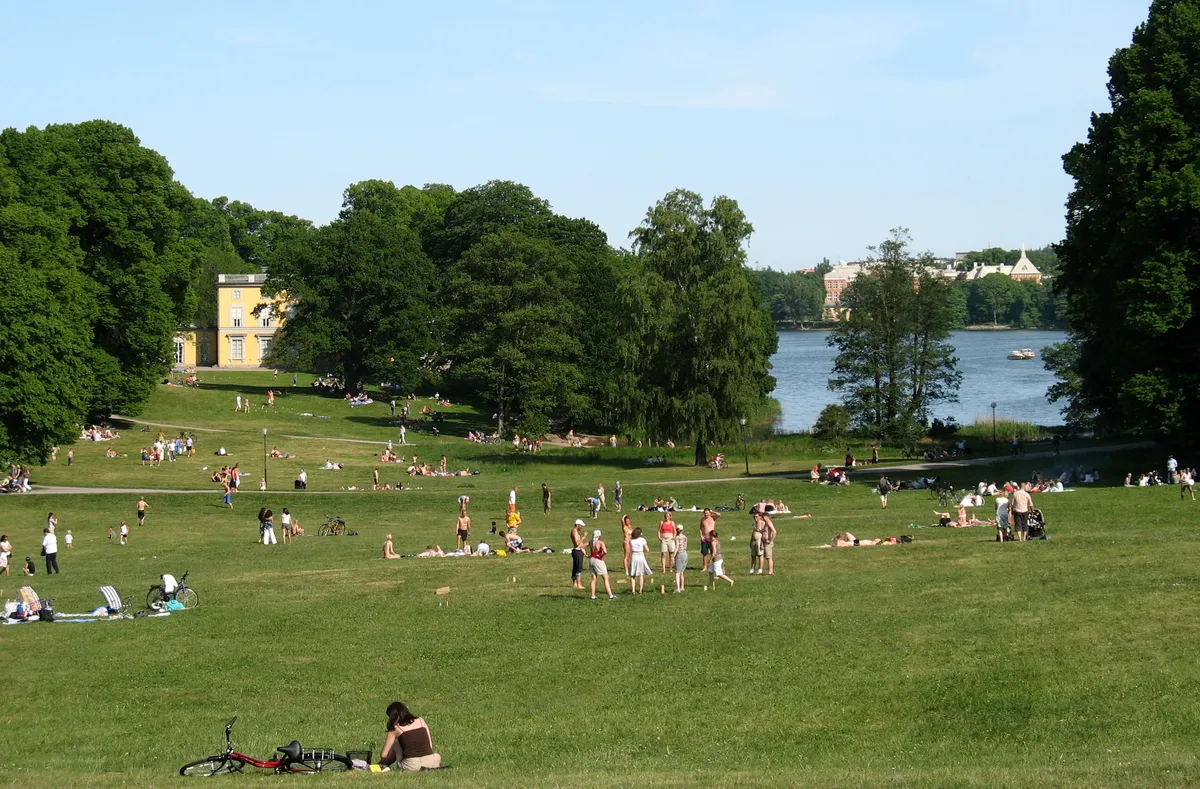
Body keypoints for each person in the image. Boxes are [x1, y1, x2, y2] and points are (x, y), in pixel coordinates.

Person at [379, 701, 442, 772]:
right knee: (437, 756)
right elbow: (430, 745)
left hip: (411, 766)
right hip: (431, 763)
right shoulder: (421, 720)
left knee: (396, 743)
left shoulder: (395, 729)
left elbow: (384, 755)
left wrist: (381, 761)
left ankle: (385, 765)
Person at [588, 530, 616, 600]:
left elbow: (581, 546)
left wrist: (586, 554)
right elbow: (605, 551)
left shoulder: (590, 542)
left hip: (591, 560)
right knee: (606, 578)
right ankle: (611, 596)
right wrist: (601, 555)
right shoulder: (600, 542)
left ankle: (593, 596)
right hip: (598, 560)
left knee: (593, 579)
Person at [627, 527, 653, 594]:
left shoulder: (631, 540)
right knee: (641, 574)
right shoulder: (642, 540)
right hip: (641, 556)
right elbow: (647, 549)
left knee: (633, 574)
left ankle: (633, 590)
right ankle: (640, 590)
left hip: (634, 556)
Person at [570, 519, 587, 590]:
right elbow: (577, 544)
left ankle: (575, 583)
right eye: (581, 526)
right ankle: (579, 584)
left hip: (578, 551)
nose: (582, 527)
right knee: (578, 568)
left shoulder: (575, 532)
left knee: (575, 568)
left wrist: (584, 552)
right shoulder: (574, 531)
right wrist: (583, 537)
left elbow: (580, 544)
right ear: (577, 525)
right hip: (577, 552)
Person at [674, 528, 689, 592]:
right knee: (682, 572)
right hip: (685, 553)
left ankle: (678, 589)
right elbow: (686, 546)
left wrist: (673, 556)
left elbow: (677, 547)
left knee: (677, 572)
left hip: (680, 553)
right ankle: (682, 587)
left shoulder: (677, 537)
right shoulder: (685, 537)